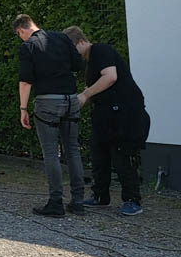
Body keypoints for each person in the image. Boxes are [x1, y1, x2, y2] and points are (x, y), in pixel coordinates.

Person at [63, 27, 149, 215]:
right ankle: (100, 195)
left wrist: (85, 94)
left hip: (124, 115)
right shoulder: (90, 62)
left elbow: (110, 77)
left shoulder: (101, 50)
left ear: (79, 42)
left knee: (122, 156)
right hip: (105, 115)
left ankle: (133, 200)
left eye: (71, 50)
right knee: (98, 153)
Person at [14, 14, 85, 217]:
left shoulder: (27, 47)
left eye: (19, 35)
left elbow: (26, 81)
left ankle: (56, 203)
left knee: (51, 153)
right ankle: (78, 202)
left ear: (21, 30)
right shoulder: (61, 38)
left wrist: (23, 109)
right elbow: (78, 65)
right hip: (71, 99)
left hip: (48, 102)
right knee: (72, 149)